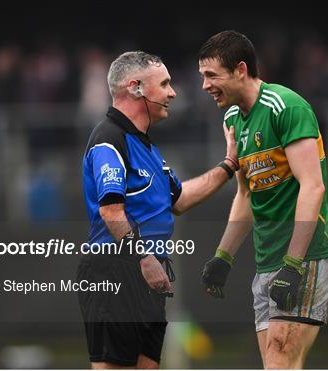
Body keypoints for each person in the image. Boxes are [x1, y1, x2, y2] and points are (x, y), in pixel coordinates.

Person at [79, 51, 238, 369]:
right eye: (164, 84)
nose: (172, 92)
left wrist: (229, 164)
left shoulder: (147, 146)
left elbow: (178, 200)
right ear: (136, 87)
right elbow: (112, 212)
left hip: (146, 272)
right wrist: (145, 259)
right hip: (116, 269)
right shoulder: (110, 139)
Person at [198, 30, 328, 369]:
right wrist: (223, 256)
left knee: (280, 360)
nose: (205, 85)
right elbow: (246, 194)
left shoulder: (286, 107)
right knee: (277, 365)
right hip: (267, 264)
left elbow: (313, 187)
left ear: (240, 69)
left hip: (307, 258)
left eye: (211, 75)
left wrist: (292, 264)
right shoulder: (233, 120)